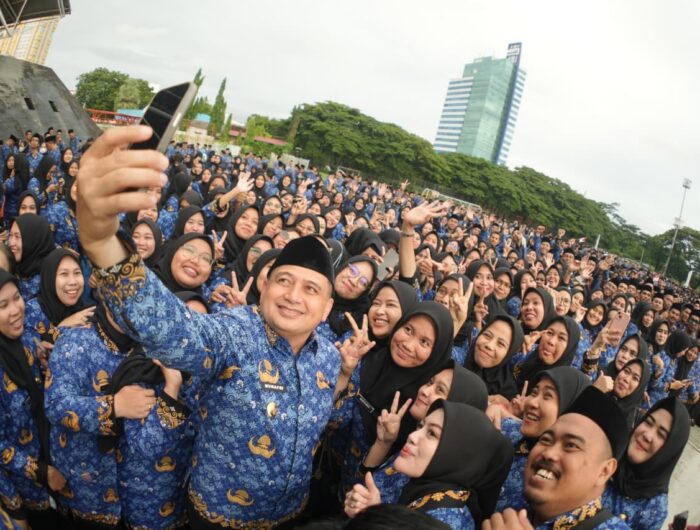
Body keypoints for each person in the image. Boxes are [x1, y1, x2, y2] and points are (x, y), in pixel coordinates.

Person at [75, 130, 376, 526]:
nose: (293, 296)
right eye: (283, 281)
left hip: (289, 516)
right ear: (264, 288)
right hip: (217, 516)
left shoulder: (330, 355)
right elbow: (174, 331)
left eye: (310, 289)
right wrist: (102, 243)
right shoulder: (235, 333)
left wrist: (344, 376)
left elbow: (328, 422)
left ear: (327, 308)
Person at [345, 401, 513, 529]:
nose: (413, 436)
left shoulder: (446, 522)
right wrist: (373, 512)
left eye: (432, 433)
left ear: (458, 453)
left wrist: (375, 519)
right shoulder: (418, 481)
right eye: (421, 426)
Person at [483, 386, 631, 529]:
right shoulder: (516, 506)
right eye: (546, 440)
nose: (549, 453)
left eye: (571, 445)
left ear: (604, 471)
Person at [0, 270, 64, 529]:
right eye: (3, 305)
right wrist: (41, 472)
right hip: (26, 489)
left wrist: (46, 370)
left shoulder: (25, 337)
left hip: (54, 466)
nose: (16, 310)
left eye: (17, 298)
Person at [493, 367, 591, 512]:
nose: (532, 402)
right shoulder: (507, 429)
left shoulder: (565, 476)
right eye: (534, 393)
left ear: (569, 409)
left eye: (547, 396)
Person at [603, 397, 691, 530]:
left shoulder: (654, 508)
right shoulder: (608, 453)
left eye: (661, 434)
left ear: (669, 450)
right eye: (648, 422)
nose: (647, 435)